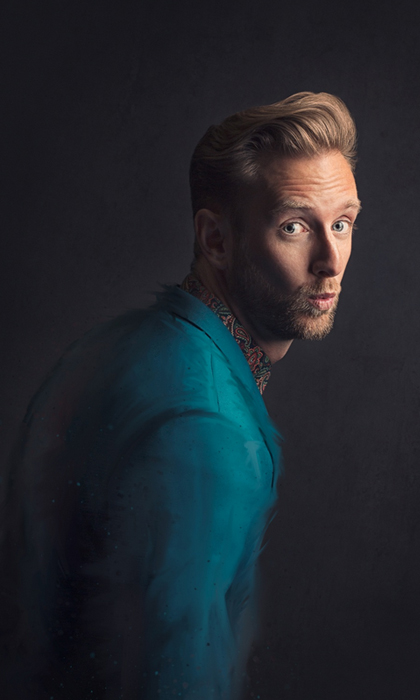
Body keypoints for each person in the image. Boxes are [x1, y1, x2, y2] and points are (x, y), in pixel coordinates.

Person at [1, 91, 360, 699]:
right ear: (215, 239)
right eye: (294, 226)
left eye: (343, 223)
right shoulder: (207, 429)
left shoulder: (119, 345)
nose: (330, 260)